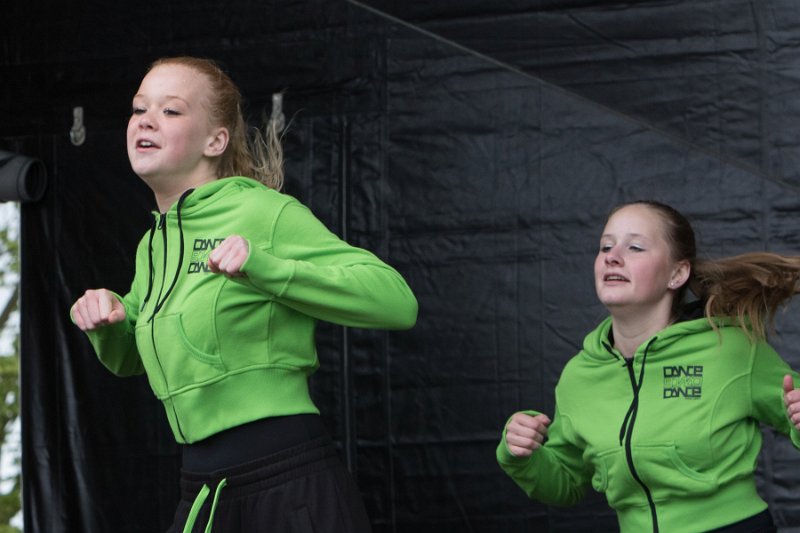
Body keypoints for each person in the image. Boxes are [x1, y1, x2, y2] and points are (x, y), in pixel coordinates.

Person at [70, 56, 418, 533]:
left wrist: (266, 270)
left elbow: (397, 301)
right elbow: (131, 358)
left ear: (216, 140)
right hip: (202, 489)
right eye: (138, 109)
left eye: (170, 111)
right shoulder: (152, 244)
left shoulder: (261, 212)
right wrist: (109, 323)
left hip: (286, 482)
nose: (145, 120)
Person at [497, 200, 800, 533]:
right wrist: (522, 454)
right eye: (605, 246)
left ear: (677, 274)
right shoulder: (579, 376)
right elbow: (565, 483)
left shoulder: (731, 349)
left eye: (636, 247)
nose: (612, 256)